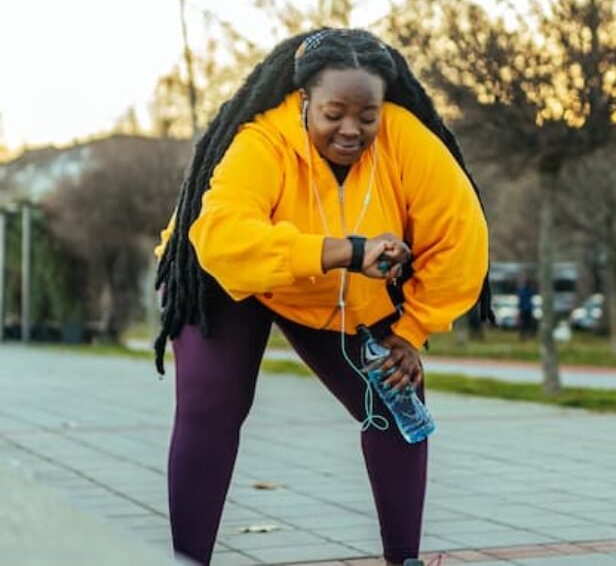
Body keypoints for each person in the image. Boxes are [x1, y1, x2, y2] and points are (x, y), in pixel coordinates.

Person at [152, 28, 492, 566]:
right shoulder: (261, 140)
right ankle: (187, 559)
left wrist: (410, 332)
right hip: (222, 275)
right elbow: (221, 236)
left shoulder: (405, 140)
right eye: (334, 113)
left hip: (333, 294)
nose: (351, 129)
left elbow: (462, 237)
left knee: (396, 401)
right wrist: (344, 251)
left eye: (367, 115)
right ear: (305, 100)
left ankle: (404, 560)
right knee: (212, 405)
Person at [516, 272, 536, 339]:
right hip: (524, 308)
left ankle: (526, 335)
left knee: (527, 323)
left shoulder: (526, 289)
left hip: (527, 308)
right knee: (525, 323)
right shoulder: (522, 289)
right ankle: (524, 336)